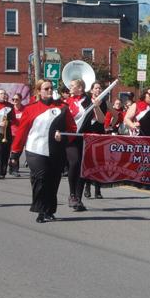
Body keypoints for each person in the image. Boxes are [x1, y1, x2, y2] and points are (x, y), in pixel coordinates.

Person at [11, 79, 76, 223]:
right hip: (35, 150)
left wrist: (63, 137)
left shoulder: (63, 107)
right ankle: (40, 210)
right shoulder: (30, 108)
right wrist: (15, 153)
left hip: (56, 150)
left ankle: (49, 210)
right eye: (45, 88)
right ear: (39, 91)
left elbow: (72, 129)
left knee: (53, 181)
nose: (49, 91)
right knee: (40, 179)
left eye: (50, 88)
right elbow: (22, 132)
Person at [65, 78, 105, 211]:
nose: (70, 87)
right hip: (70, 139)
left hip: (84, 139)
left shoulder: (88, 101)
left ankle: (78, 198)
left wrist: (97, 106)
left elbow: (101, 120)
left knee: (82, 168)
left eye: (72, 85)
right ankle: (72, 194)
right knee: (74, 163)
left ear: (80, 88)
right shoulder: (67, 102)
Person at [83, 81, 108, 200]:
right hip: (88, 134)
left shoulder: (103, 102)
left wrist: (111, 124)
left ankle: (98, 190)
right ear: (91, 90)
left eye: (100, 88)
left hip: (99, 134)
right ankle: (87, 187)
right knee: (88, 162)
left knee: (98, 163)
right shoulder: (87, 101)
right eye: (96, 88)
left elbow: (111, 115)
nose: (98, 90)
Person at [9, 92, 25, 176]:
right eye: (13, 99)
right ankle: (15, 169)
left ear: (20, 100)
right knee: (13, 151)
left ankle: (12, 167)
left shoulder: (24, 109)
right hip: (12, 133)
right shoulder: (10, 109)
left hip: (21, 133)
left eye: (17, 99)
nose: (15, 101)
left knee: (18, 151)